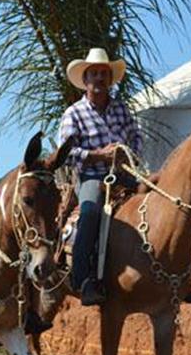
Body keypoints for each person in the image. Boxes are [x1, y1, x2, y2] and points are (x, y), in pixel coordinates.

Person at [58, 48, 143, 306]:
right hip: (92, 177)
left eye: (104, 73)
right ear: (85, 80)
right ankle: (83, 279)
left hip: (124, 175)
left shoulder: (121, 109)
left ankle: (175, 275)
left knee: (157, 200)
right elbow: (66, 153)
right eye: (94, 73)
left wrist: (128, 154)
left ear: (110, 79)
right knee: (90, 212)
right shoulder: (74, 113)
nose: (99, 78)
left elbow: (136, 137)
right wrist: (99, 156)